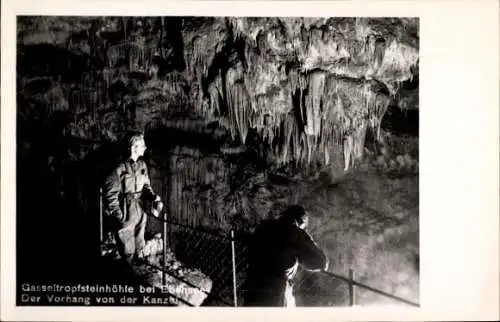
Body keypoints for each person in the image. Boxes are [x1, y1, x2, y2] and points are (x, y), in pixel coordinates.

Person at [242, 205, 329, 307]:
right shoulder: (296, 233)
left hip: (252, 286)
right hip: (276, 290)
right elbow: (321, 262)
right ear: (301, 223)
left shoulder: (264, 227)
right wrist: (301, 249)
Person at [103, 131, 163, 264]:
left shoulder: (142, 166)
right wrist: (118, 214)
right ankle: (127, 269)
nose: (145, 147)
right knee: (126, 245)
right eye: (142, 145)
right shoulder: (119, 168)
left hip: (139, 206)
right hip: (125, 207)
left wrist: (153, 196)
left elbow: (146, 186)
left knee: (139, 237)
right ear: (133, 146)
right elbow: (110, 193)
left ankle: (138, 262)